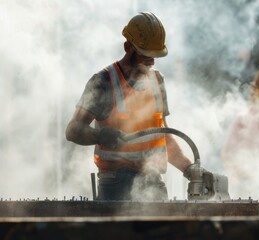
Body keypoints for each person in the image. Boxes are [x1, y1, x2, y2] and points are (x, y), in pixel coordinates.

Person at [66, 12, 203, 201]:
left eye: (155, 57)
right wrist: (100, 135)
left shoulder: (157, 81)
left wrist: (189, 170)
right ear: (127, 47)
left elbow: (163, 137)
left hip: (153, 181)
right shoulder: (103, 82)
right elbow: (73, 130)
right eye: (146, 55)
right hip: (115, 185)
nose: (151, 62)